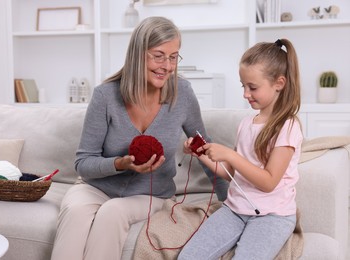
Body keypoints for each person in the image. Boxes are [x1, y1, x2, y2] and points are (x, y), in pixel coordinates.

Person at [51, 16, 228, 260]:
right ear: (138, 54)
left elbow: (204, 150)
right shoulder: (105, 96)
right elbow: (84, 163)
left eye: (174, 56)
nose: (167, 65)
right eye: (158, 55)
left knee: (112, 213)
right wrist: (120, 163)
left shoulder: (182, 93)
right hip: (96, 188)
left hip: (150, 195)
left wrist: (231, 203)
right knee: (74, 211)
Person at [178, 38, 303, 260]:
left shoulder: (288, 126)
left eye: (252, 87)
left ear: (279, 83)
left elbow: (268, 182)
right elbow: (231, 173)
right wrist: (201, 154)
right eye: (243, 86)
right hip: (235, 209)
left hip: (272, 216)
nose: (246, 94)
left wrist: (231, 155)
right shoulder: (246, 124)